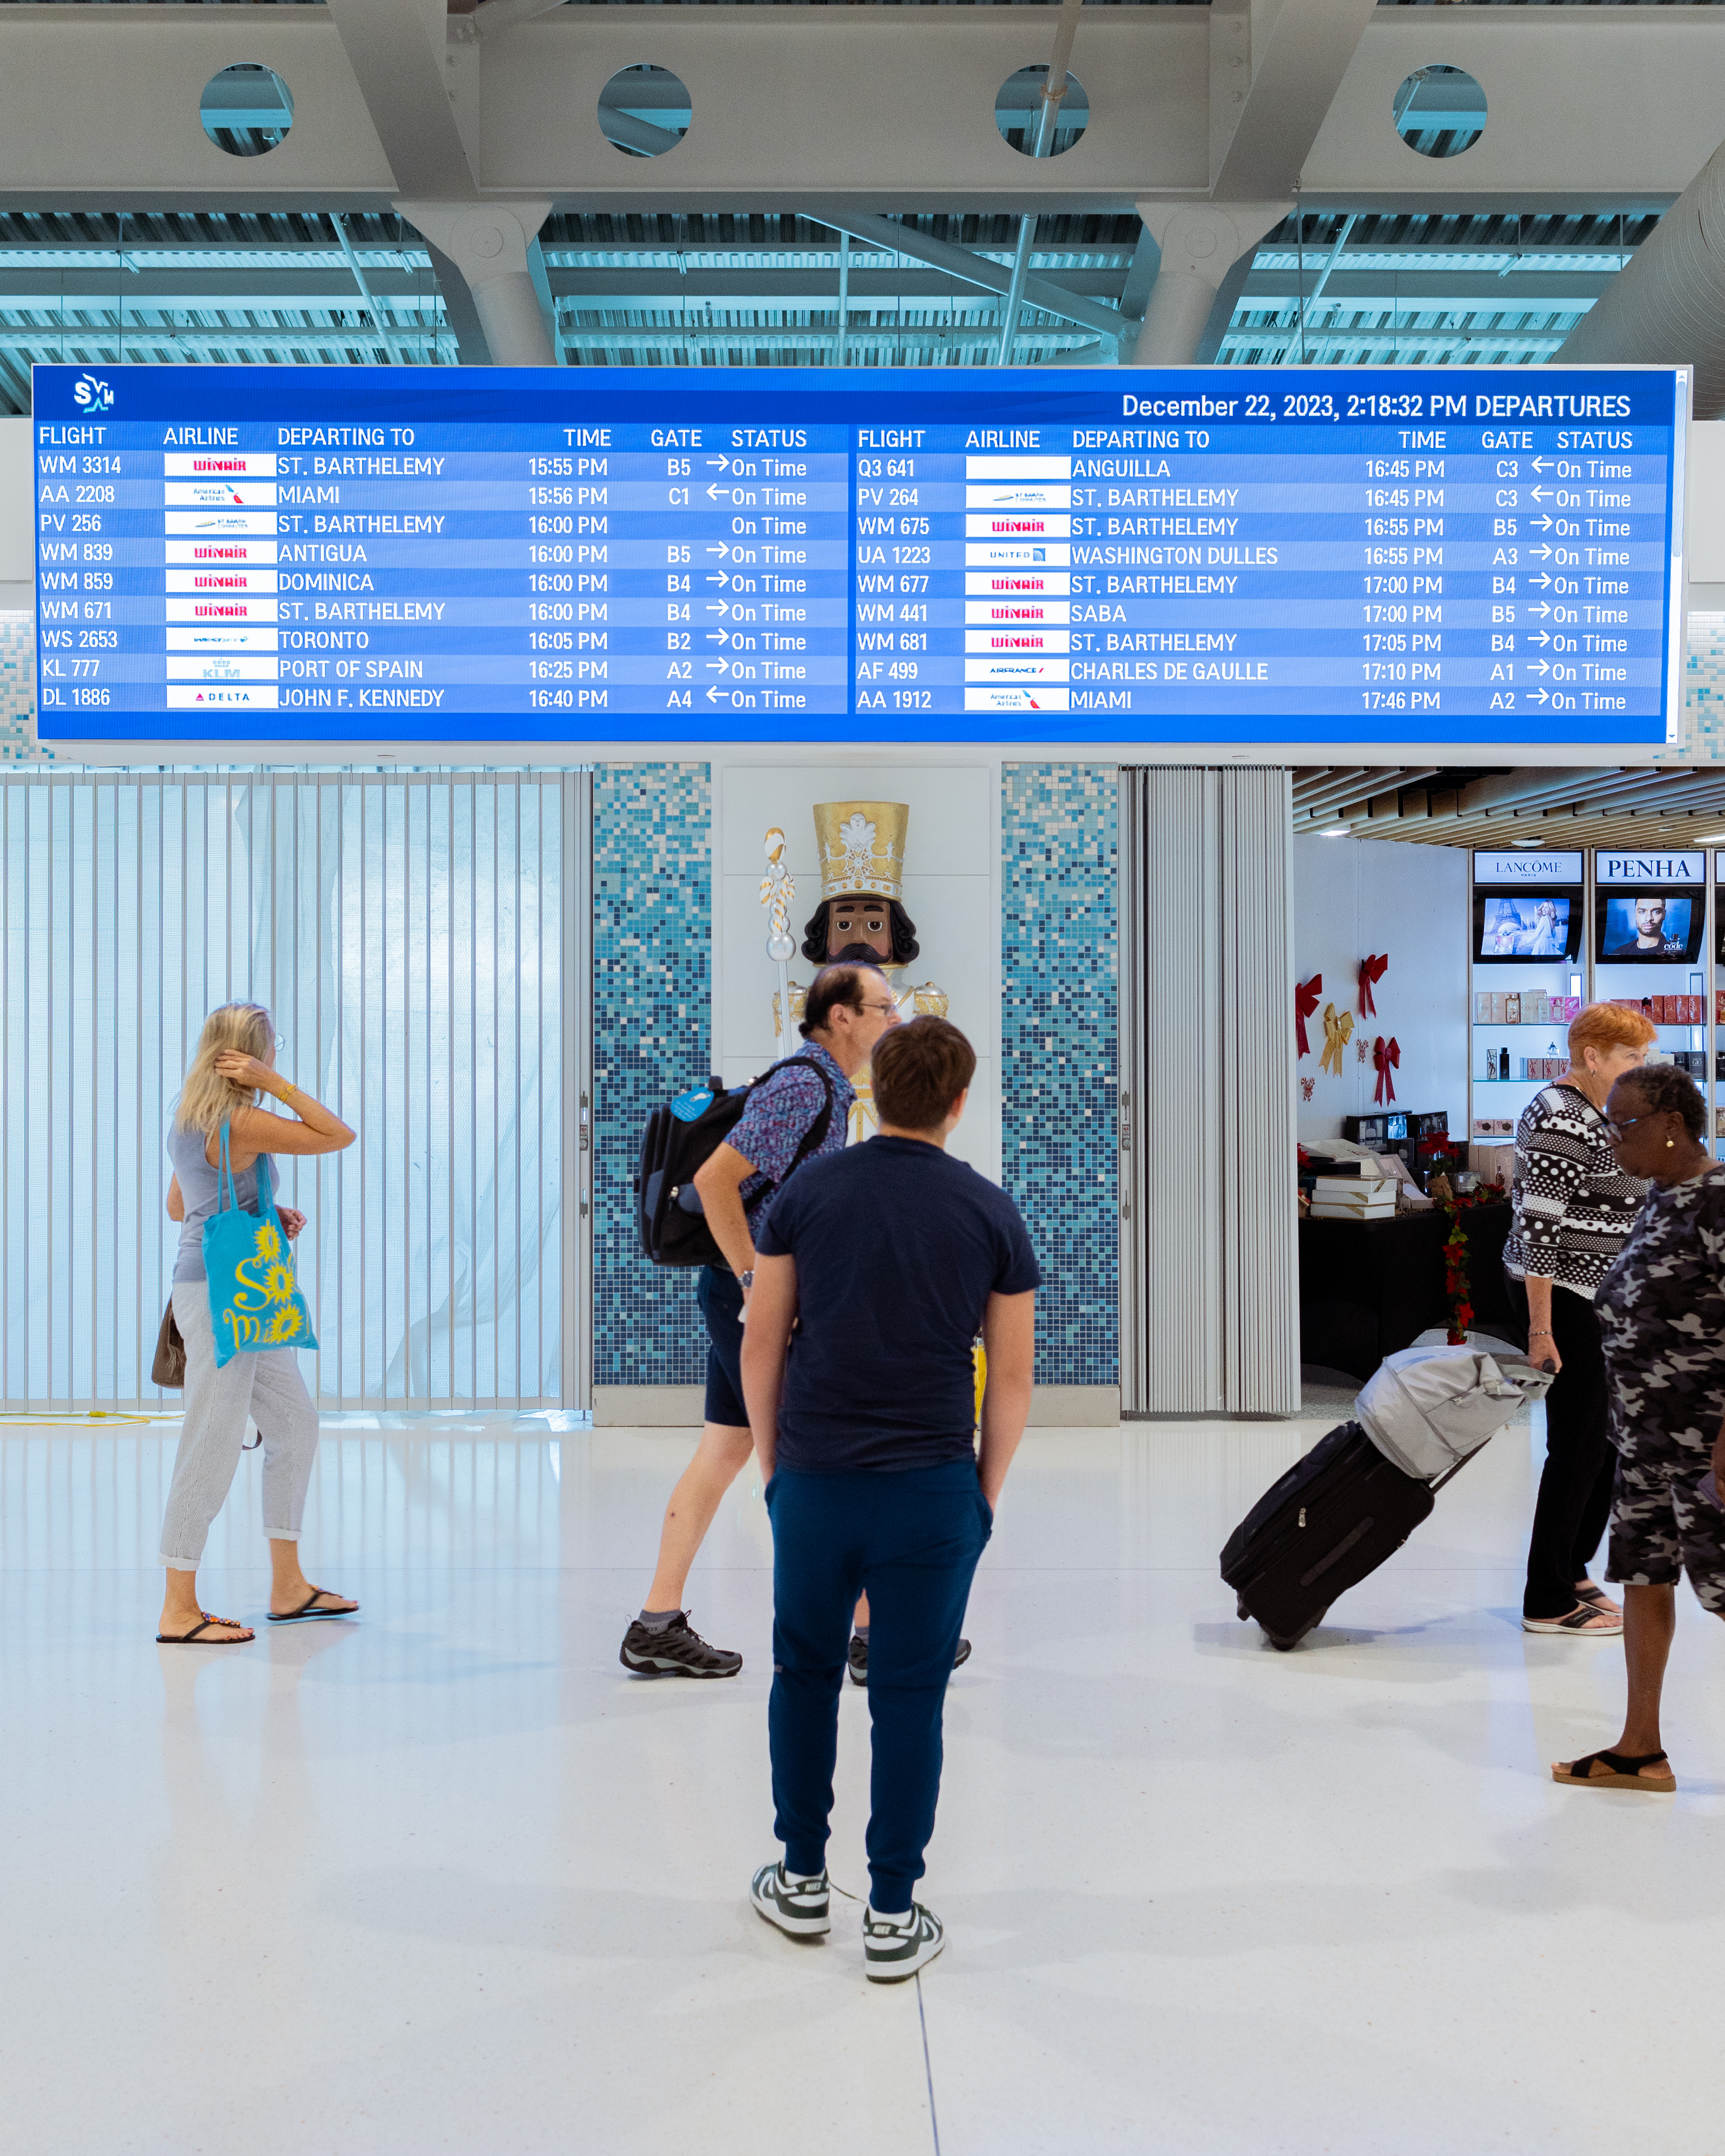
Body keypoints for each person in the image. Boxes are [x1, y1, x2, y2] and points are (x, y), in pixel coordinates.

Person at [741, 1016, 1037, 1983]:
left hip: (818, 1480)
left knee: (804, 1674)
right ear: (959, 1103)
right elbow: (1015, 1379)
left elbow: (762, 1341)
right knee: (910, 1696)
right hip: (932, 1491)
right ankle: (893, 1910)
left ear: (870, 1089)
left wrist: (777, 1469)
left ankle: (797, 1878)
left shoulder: (804, 1195)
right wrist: (980, 1496)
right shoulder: (991, 1211)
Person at [617, 961, 900, 1678]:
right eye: (881, 1008)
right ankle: (868, 1638)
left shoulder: (825, 1088)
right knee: (814, 1457)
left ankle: (655, 1624)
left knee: (724, 1452)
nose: (893, 1021)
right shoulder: (805, 1085)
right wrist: (754, 1281)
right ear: (840, 1015)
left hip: (738, 1294)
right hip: (749, 1297)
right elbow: (715, 1181)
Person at [157, 1003, 357, 1645]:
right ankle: (179, 1611)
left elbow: (178, 1205)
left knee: (295, 1426)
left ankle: (289, 1587)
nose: (275, 1057)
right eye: (270, 1049)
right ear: (250, 1055)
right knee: (210, 1446)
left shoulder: (191, 1119)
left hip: (242, 1293)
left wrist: (265, 1210)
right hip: (222, 1299)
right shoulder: (241, 1117)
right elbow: (336, 1135)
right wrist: (277, 1086)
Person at [1554, 1064, 1725, 1792]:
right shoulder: (1658, 1197)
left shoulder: (1717, 1201)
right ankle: (1639, 1749)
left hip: (1701, 1444)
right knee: (1642, 1579)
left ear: (1670, 1125)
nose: (1610, 1138)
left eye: (1621, 1125)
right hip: (1643, 1442)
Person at [1502, 1001, 1656, 1634]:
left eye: (1643, 1058)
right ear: (1589, 1057)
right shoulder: (1559, 1117)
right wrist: (1540, 1331)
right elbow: (1537, 1231)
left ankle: (1572, 1570)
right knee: (1576, 1444)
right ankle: (1545, 1598)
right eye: (1628, 1058)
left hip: (1602, 1295)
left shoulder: (1603, 1107)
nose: (1638, 1069)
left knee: (1608, 1441)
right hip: (1561, 1297)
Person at [1604, 893, 1684, 958]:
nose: (1649, 918)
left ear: (1664, 915)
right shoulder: (1621, 952)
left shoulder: (1679, 953)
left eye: (1656, 912)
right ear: (1635, 914)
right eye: (1642, 912)